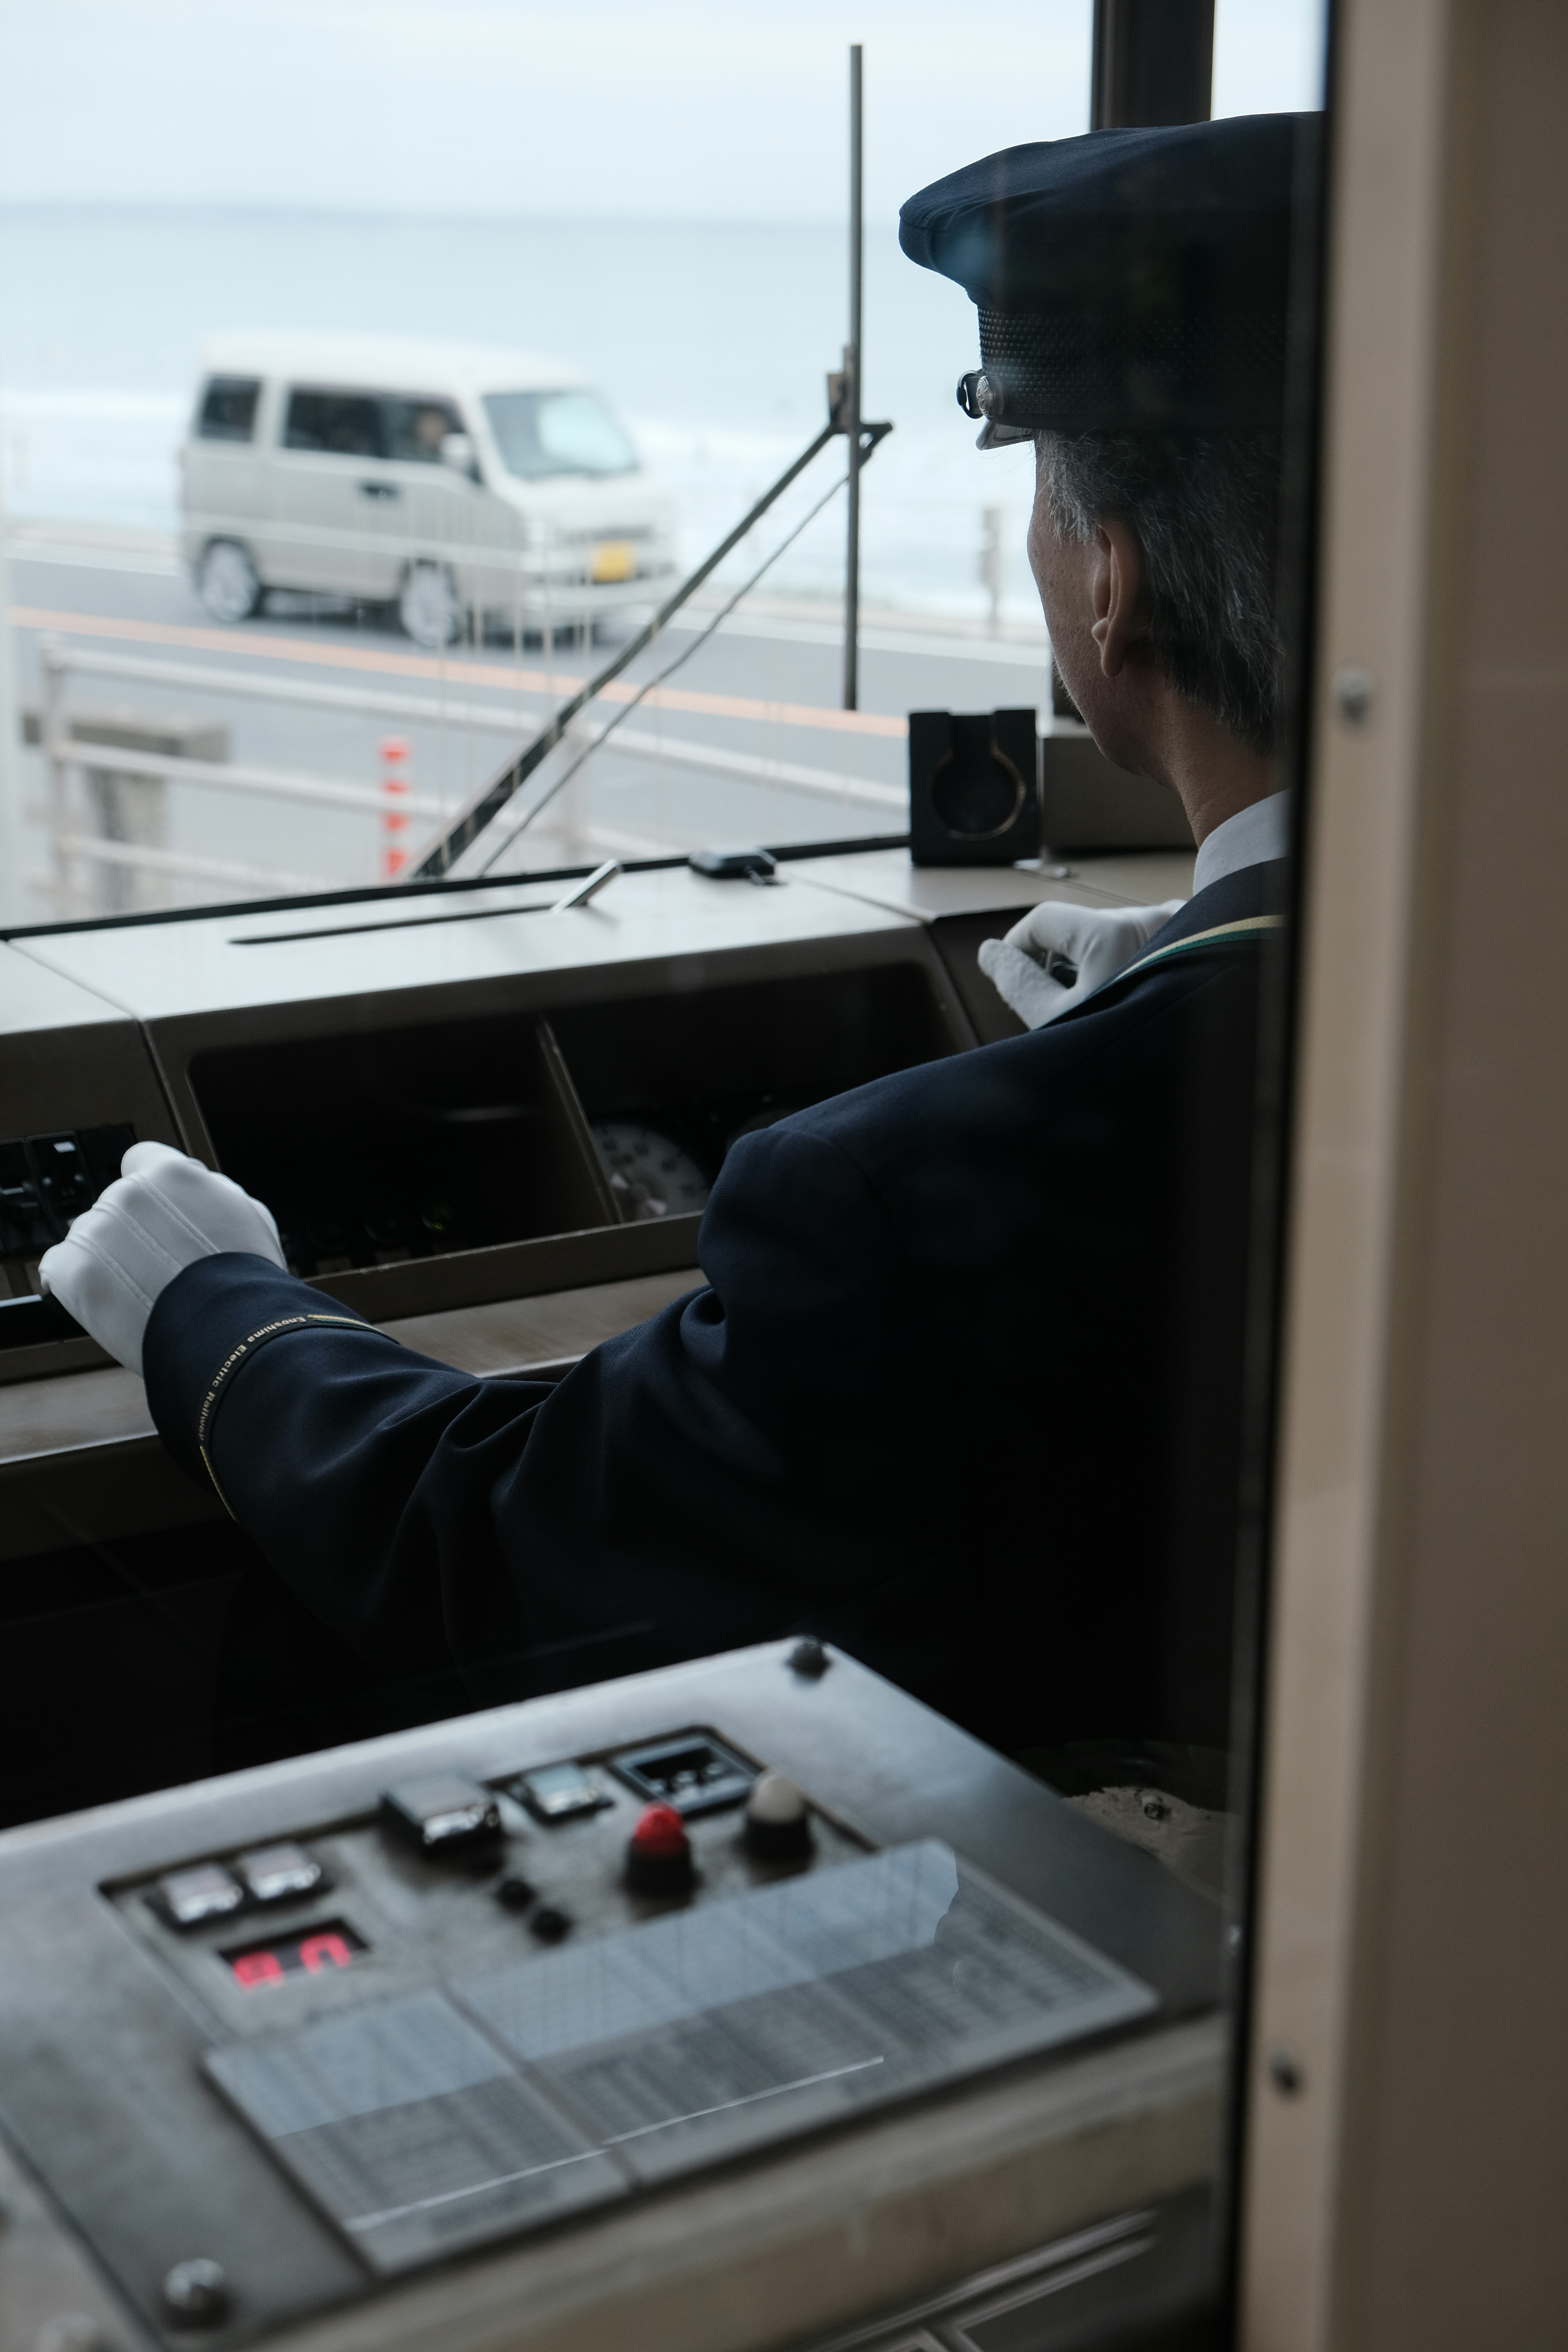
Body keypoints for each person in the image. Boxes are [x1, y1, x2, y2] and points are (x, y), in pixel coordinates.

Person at [41, 113, 1310, 1767]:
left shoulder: (912, 1196)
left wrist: (211, 1304)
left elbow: (490, 1549)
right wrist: (1213, 958)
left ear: (1107, 587)